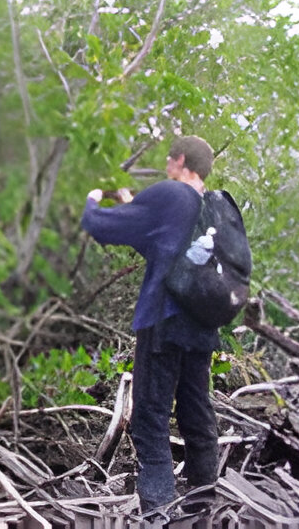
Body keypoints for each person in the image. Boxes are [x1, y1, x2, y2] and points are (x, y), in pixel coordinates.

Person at [80, 136, 220, 513]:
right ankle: (204, 506)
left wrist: (93, 198)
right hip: (203, 324)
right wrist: (133, 203)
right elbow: (163, 247)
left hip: (165, 319)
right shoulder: (213, 207)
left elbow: (101, 226)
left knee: (148, 417)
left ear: (178, 161)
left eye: (168, 162)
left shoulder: (172, 194)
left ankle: (159, 514)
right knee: (195, 410)